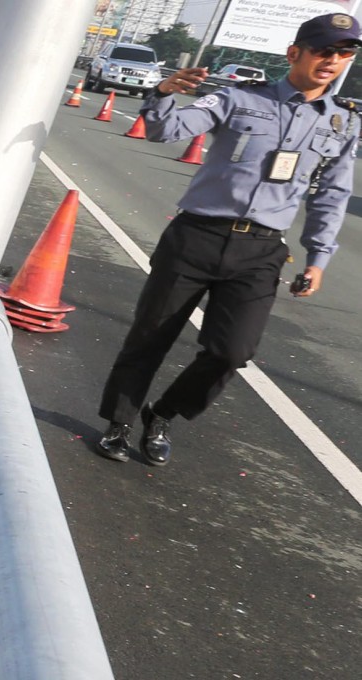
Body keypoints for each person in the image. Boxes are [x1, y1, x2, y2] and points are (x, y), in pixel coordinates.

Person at [96, 13, 362, 467]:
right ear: (294, 53)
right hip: (196, 235)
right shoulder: (238, 97)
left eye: (344, 53)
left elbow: (332, 195)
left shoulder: (343, 123)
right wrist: (163, 93)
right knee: (151, 336)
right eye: (323, 50)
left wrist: (318, 258)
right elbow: (166, 131)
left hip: (261, 250)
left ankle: (163, 414)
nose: (331, 60)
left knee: (233, 351)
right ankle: (118, 423)